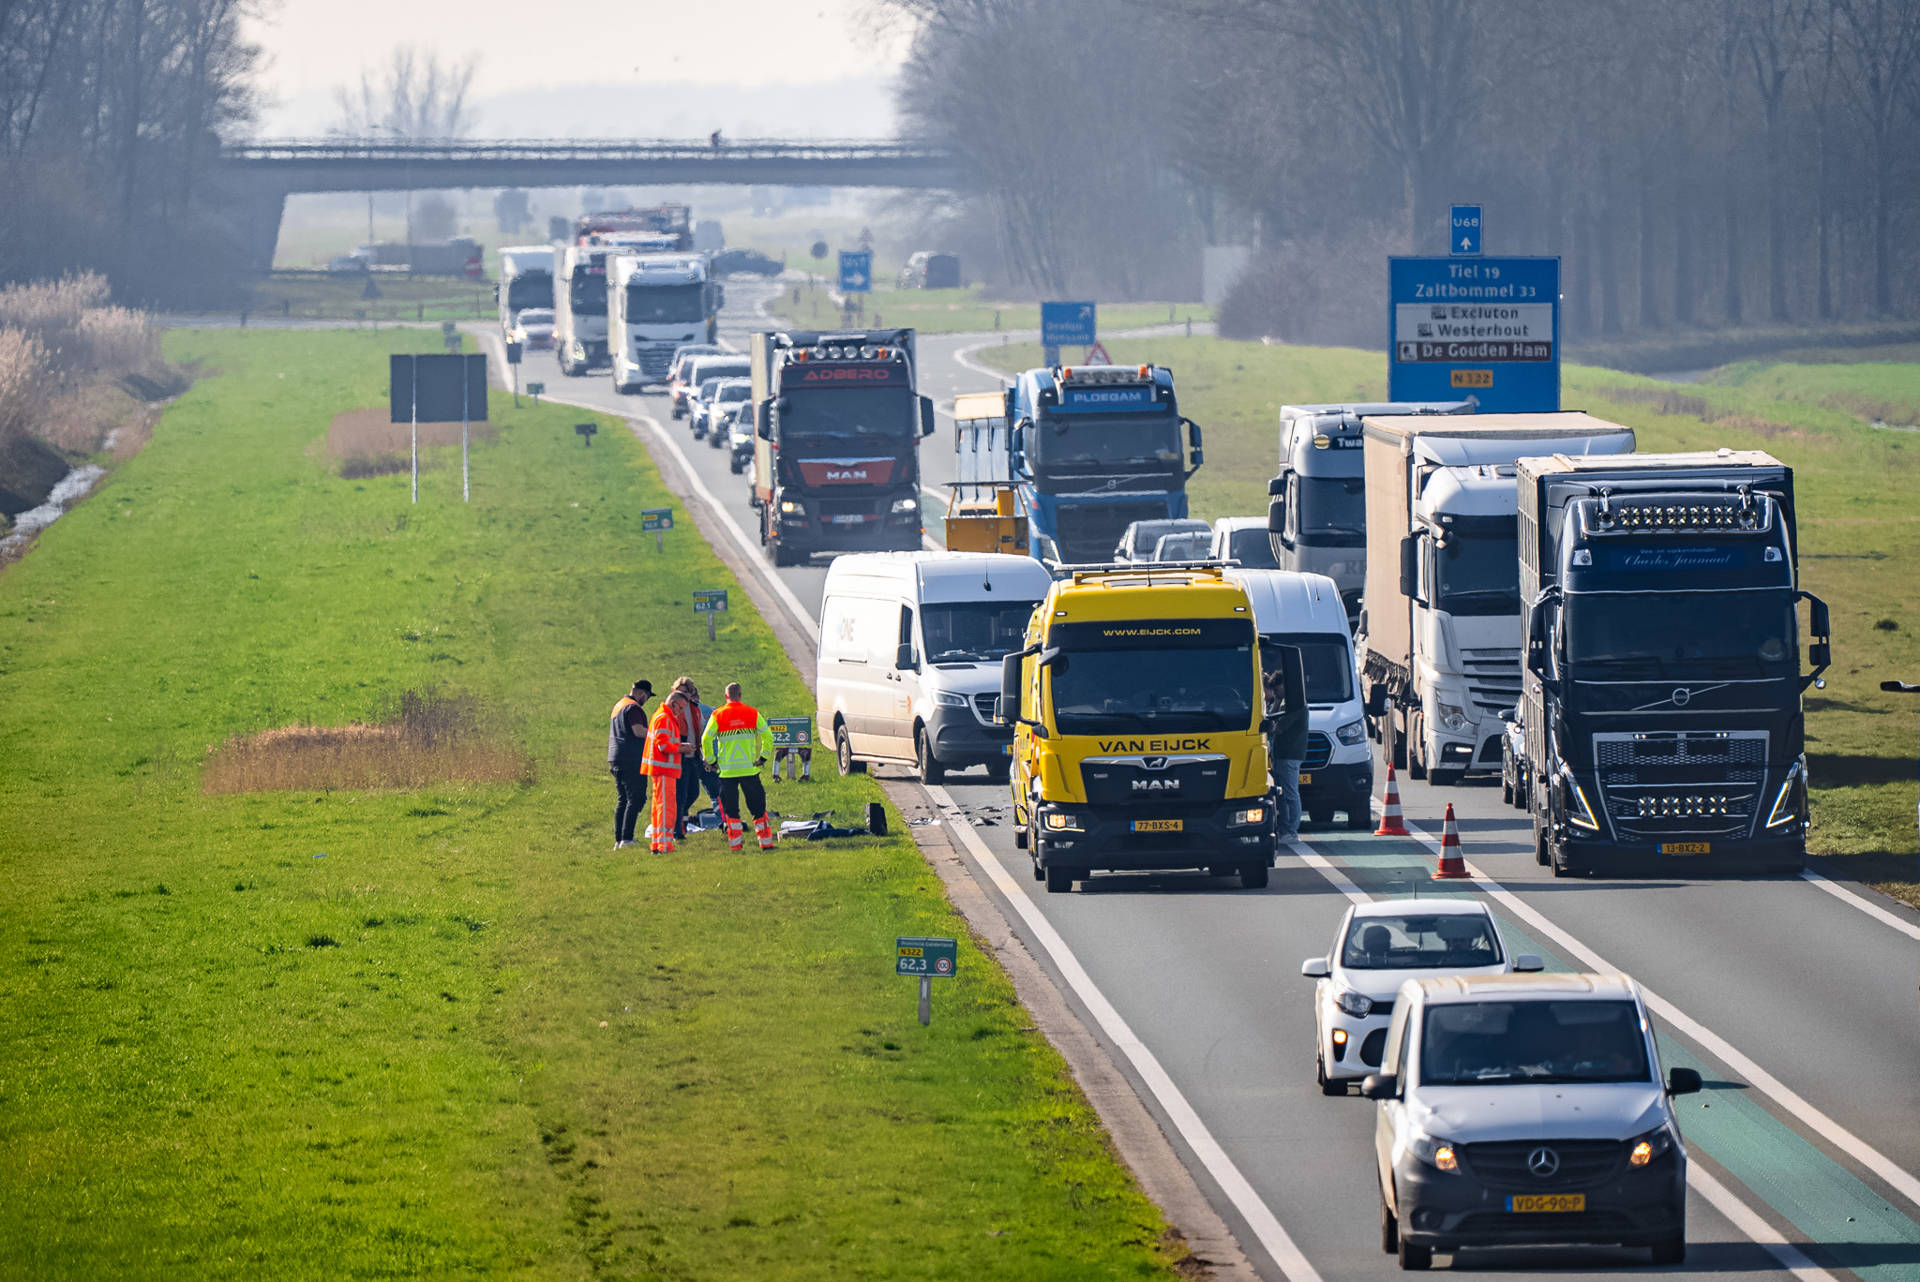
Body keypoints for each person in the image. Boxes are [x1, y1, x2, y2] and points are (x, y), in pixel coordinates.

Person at [700, 681, 777, 851]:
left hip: (727, 772)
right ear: (740, 695)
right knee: (758, 808)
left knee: (732, 811)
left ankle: (736, 847)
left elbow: (705, 739)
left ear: (726, 696)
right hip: (749, 770)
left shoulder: (717, 715)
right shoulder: (752, 713)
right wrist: (763, 757)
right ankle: (766, 844)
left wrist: (712, 761)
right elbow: (767, 736)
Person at [642, 678, 695, 852]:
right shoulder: (665, 718)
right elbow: (663, 745)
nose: (681, 713)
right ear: (672, 703)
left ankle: (658, 843)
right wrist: (682, 748)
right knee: (666, 807)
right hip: (664, 769)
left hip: (663, 770)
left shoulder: (663, 716)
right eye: (680, 708)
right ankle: (664, 844)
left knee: (660, 806)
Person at [1267, 646, 1308, 843]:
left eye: (1277, 688)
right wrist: (1276, 701)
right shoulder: (1284, 703)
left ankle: (1292, 829)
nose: (1275, 692)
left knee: (1291, 793)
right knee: (1283, 794)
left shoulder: (1296, 706)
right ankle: (1286, 828)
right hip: (1281, 754)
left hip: (1290, 754)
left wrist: (1277, 704)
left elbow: (1276, 728)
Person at [608, 680, 653, 848]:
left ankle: (619, 839)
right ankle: (627, 838)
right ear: (642, 693)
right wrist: (657, 734)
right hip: (631, 758)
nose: (646, 700)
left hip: (615, 757)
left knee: (623, 799)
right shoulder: (633, 707)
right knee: (637, 798)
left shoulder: (619, 705)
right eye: (647, 697)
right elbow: (638, 731)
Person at [676, 685, 720, 837]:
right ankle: (724, 821)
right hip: (708, 759)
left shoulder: (680, 711)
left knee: (686, 794)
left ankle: (682, 823)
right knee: (716, 794)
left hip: (690, 758)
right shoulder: (712, 711)